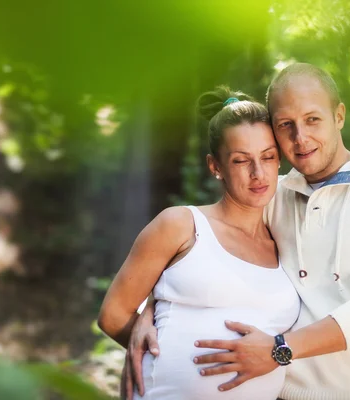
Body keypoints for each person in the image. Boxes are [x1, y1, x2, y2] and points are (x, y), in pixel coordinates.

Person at [126, 62, 350, 399]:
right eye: (285, 125)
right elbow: (206, 257)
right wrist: (150, 314)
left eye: (312, 119)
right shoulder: (274, 195)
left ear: (340, 116)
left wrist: (278, 349)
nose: (300, 138)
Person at [97, 86, 301, 400]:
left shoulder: (287, 238)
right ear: (215, 166)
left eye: (268, 157)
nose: (258, 173)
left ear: (279, 161)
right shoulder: (180, 224)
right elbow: (113, 315)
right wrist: (150, 341)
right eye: (240, 160)